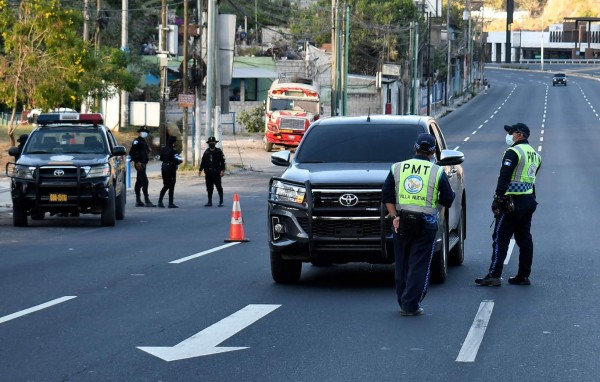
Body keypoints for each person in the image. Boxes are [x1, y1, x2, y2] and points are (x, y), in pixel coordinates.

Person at [382, 133, 455, 316]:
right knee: (419, 264)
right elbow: (448, 199)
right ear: (432, 152)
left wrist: (393, 217)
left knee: (402, 263)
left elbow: (386, 196)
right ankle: (411, 304)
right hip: (426, 223)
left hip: (401, 222)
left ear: (414, 148)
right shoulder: (437, 171)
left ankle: (403, 301)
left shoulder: (397, 168)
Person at [475, 123, 542, 286]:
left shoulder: (513, 152)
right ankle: (523, 275)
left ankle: (494, 275)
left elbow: (504, 177)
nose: (509, 135)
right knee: (524, 238)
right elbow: (530, 180)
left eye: (511, 133)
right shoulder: (535, 154)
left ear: (519, 134)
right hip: (528, 200)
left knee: (500, 237)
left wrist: (498, 198)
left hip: (511, 202)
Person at [129, 126, 156, 207]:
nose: (145, 133)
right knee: (145, 181)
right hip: (139, 164)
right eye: (143, 132)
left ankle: (138, 200)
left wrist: (148, 150)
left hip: (144, 163)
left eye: (146, 132)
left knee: (139, 182)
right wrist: (137, 162)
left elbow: (146, 151)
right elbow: (131, 153)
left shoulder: (144, 141)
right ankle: (147, 201)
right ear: (140, 132)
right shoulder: (136, 141)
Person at [199, 136, 226, 207]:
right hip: (208, 172)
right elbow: (203, 161)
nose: (211, 143)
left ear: (215, 143)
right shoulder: (206, 152)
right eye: (210, 142)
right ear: (208, 143)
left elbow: (223, 162)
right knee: (209, 187)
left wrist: (222, 170)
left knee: (218, 186)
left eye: (213, 142)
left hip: (216, 172)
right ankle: (209, 201)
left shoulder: (218, 151)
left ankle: (221, 201)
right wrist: (200, 169)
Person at [158, 135, 183, 208]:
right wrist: (180, 161)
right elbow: (177, 160)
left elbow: (161, 158)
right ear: (174, 142)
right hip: (170, 169)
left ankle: (160, 201)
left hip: (164, 167)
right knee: (171, 185)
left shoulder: (164, 149)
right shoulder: (173, 150)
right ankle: (170, 203)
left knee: (165, 185)